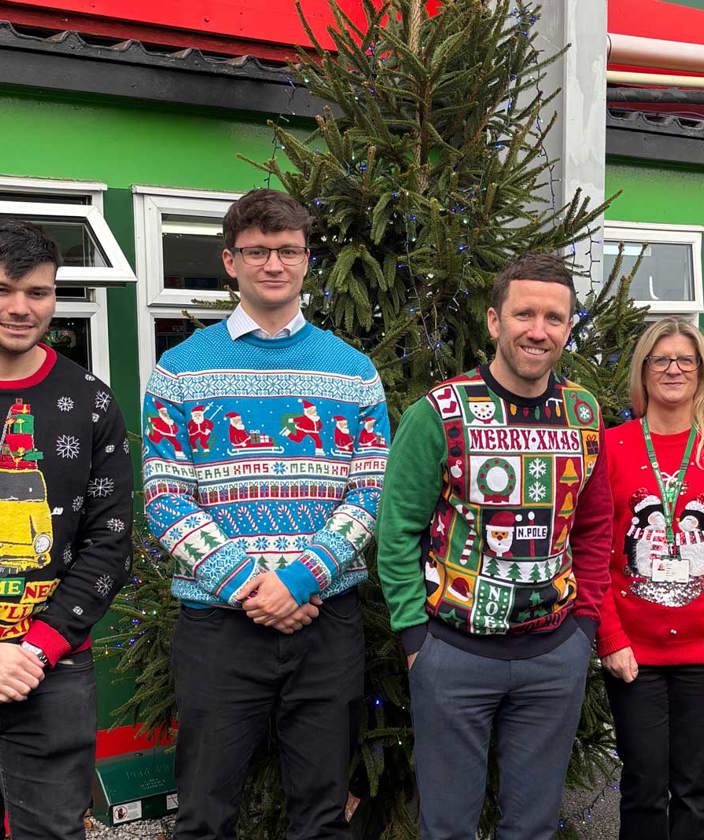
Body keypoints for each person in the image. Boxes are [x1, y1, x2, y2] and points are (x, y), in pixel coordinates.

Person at [142, 189, 389, 840]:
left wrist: (300, 581)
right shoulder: (179, 371)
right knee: (203, 814)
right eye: (256, 251)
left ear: (307, 261)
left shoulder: (354, 373)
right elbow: (165, 498)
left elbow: (369, 494)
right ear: (229, 261)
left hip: (324, 629)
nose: (272, 264)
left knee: (321, 814)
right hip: (220, 628)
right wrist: (254, 588)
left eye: (287, 250)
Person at [376, 253, 612, 840]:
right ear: (493, 321)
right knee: (448, 827)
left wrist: (584, 628)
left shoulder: (584, 413)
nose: (539, 330)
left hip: (554, 655)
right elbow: (397, 529)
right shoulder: (439, 413)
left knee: (531, 828)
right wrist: (415, 641)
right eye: (524, 313)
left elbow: (594, 526)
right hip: (453, 655)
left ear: (568, 327)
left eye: (555, 318)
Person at [596, 317, 704, 840]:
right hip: (632, 653)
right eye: (661, 359)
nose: (673, 369)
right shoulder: (612, 446)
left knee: (695, 788)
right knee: (642, 787)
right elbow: (595, 552)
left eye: (685, 360)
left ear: (702, 371)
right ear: (643, 372)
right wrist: (610, 638)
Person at [0, 219, 132, 838]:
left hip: (51, 668)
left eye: (39, 291)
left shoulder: (89, 399)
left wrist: (36, 647)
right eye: (4, 289)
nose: (21, 308)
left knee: (52, 830)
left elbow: (110, 542)